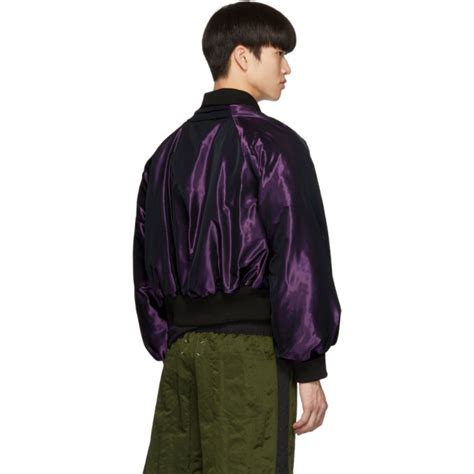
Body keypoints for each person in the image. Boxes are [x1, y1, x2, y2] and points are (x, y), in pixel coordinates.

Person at [132, 2, 342, 472]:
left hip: (181, 357)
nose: (287, 68)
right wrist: (309, 366)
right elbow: (299, 257)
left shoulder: (164, 155)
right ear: (243, 57)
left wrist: (172, 337)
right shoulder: (275, 145)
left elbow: (144, 266)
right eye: (279, 53)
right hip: (251, 356)